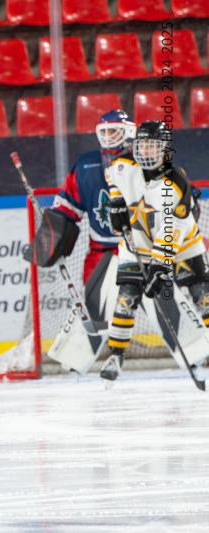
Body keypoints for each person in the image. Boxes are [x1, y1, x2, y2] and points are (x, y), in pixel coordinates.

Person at [101, 120, 209, 382]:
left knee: (203, 298)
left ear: (163, 150)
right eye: (142, 145)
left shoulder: (176, 184)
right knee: (126, 299)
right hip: (135, 246)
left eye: (152, 146)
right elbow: (112, 175)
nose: (146, 151)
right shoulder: (124, 166)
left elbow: (174, 229)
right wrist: (115, 200)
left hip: (182, 248)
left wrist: (160, 266)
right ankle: (116, 354)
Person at [51, 110, 136, 283]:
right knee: (95, 308)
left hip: (142, 250)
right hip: (100, 255)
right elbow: (66, 208)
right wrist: (51, 234)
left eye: (112, 131)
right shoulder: (85, 165)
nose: (107, 136)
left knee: (156, 305)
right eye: (103, 132)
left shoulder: (146, 163)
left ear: (129, 132)